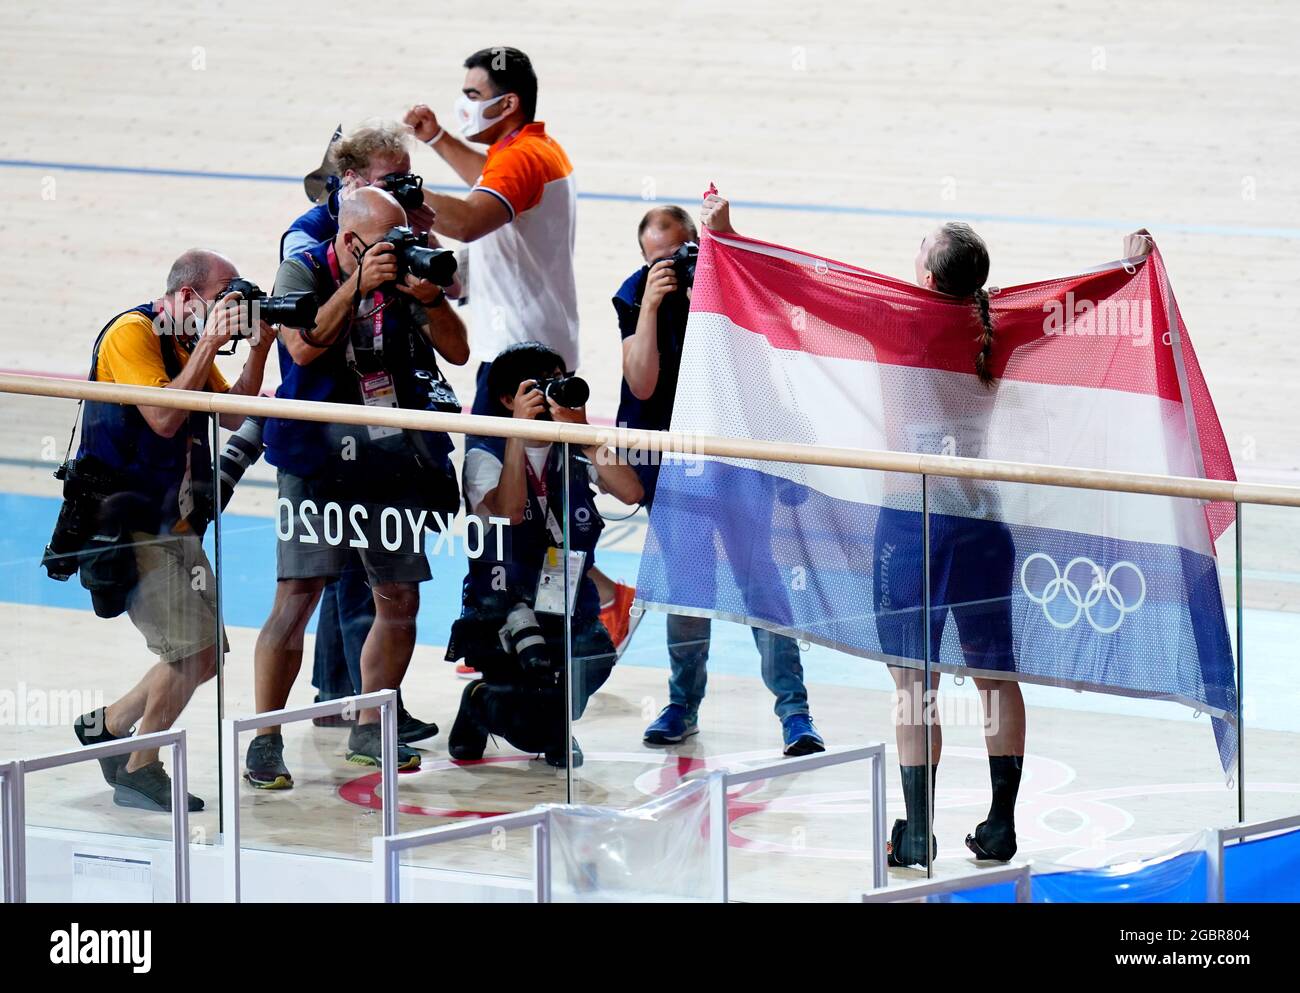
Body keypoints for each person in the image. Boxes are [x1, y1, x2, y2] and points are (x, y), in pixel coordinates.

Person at [704, 193, 1154, 866]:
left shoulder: (892, 315)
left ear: (927, 277)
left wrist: (731, 238)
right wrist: (1126, 268)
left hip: (911, 532)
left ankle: (917, 830)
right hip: (980, 526)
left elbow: (797, 280)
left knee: (915, 688)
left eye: (919, 251)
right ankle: (1001, 824)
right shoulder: (998, 317)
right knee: (997, 678)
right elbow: (1074, 300)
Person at [248, 187, 469, 788]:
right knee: (297, 597)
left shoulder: (402, 272)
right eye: (381, 246)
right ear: (348, 242)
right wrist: (355, 287)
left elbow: (458, 349)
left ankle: (372, 724)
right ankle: (264, 739)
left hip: (388, 458)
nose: (396, 254)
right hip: (316, 459)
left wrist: (431, 300)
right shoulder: (303, 268)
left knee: (399, 597)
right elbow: (300, 344)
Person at [66, 249, 276, 811]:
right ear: (186, 298)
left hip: (176, 524)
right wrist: (208, 343)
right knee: (191, 653)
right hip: (128, 528)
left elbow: (232, 412)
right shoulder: (131, 334)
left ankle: (108, 725)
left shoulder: (182, 342)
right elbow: (163, 417)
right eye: (222, 299)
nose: (228, 312)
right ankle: (141, 765)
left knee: (206, 655)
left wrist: (260, 348)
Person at [621, 205, 826, 758]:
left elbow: (764, 371)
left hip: (736, 459)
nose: (670, 266)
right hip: (681, 465)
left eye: (681, 254)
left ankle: (795, 711)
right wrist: (651, 306)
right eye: (655, 260)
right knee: (686, 589)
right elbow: (640, 385)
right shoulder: (636, 296)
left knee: (761, 586)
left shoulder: (732, 289)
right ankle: (681, 704)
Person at [280, 121, 444, 741]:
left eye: (407, 177)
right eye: (389, 179)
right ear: (349, 184)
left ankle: (347, 696)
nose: (401, 190)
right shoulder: (309, 239)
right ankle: (354, 700)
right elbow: (303, 340)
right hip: (327, 434)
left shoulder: (395, 227)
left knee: (366, 580)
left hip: (378, 439)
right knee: (340, 582)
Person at [446, 342, 644, 767]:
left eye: (559, 380)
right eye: (539, 386)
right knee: (527, 706)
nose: (552, 392)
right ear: (506, 399)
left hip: (568, 601)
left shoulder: (574, 444)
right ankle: (481, 704)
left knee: (593, 656)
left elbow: (631, 491)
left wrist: (586, 432)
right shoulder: (485, 453)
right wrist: (519, 433)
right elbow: (511, 512)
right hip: (501, 608)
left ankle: (552, 721)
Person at [404, 46, 579, 409]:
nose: (463, 103)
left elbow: (469, 223)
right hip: (541, 341)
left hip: (516, 353)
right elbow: (491, 183)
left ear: (508, 103)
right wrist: (437, 138)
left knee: (497, 463)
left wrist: (401, 189)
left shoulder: (520, 159)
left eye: (473, 95)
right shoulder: (535, 148)